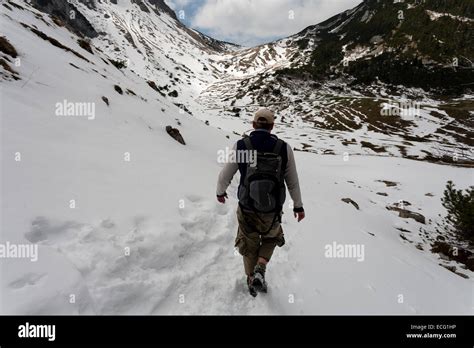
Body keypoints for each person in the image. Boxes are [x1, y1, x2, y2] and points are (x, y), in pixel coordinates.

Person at [216, 108, 305, 297]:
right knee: (272, 237)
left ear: (253, 124)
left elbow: (226, 174)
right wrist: (298, 205)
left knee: (249, 243)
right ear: (272, 126)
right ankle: (261, 267)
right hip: (272, 209)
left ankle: (250, 279)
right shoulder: (283, 147)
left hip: (247, 207)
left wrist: (220, 192)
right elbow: (292, 180)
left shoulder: (241, 145)